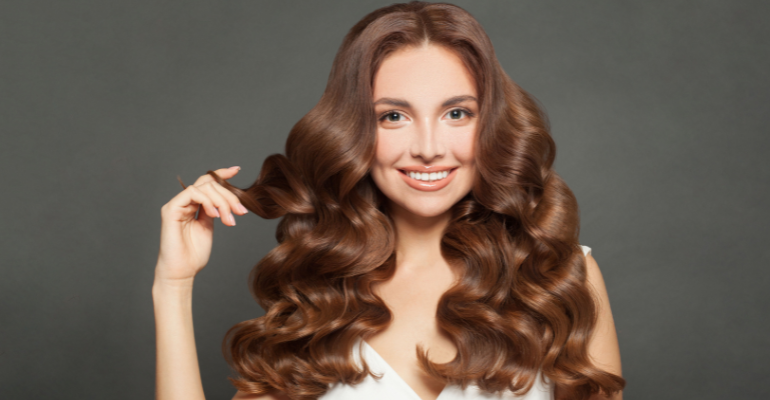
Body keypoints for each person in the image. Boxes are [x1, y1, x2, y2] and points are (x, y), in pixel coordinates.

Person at [152, 2, 625, 400]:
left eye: (456, 113)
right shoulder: (315, 296)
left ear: (491, 125)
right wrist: (172, 288)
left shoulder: (559, 278)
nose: (428, 147)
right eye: (393, 116)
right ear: (354, 131)